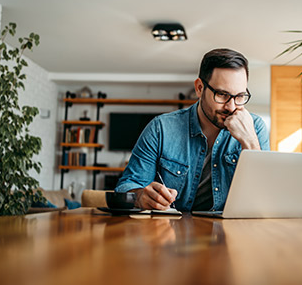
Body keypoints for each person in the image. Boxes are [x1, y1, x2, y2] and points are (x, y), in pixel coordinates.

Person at [115, 48, 270, 211]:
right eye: (222, 94)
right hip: (172, 230)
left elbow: (265, 199)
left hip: (231, 232)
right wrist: (140, 196)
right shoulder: (160, 128)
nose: (231, 107)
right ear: (200, 88)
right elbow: (126, 187)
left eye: (239, 96)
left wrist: (251, 143)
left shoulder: (255, 127)